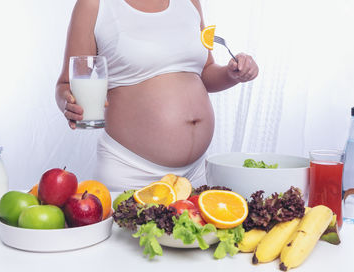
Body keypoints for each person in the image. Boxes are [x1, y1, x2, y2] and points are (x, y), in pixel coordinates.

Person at [55, 0, 258, 191]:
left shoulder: (189, 3)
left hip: (195, 175)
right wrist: (68, 102)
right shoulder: (96, 5)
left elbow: (205, 72)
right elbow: (65, 84)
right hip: (130, 172)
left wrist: (232, 74)